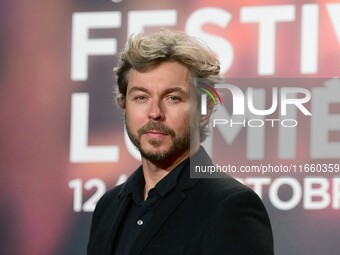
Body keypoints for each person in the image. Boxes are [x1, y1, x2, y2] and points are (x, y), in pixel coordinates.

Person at [87, 29, 274, 255]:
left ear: (204, 111)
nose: (154, 112)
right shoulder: (108, 207)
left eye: (173, 98)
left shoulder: (230, 206)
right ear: (123, 105)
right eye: (141, 97)